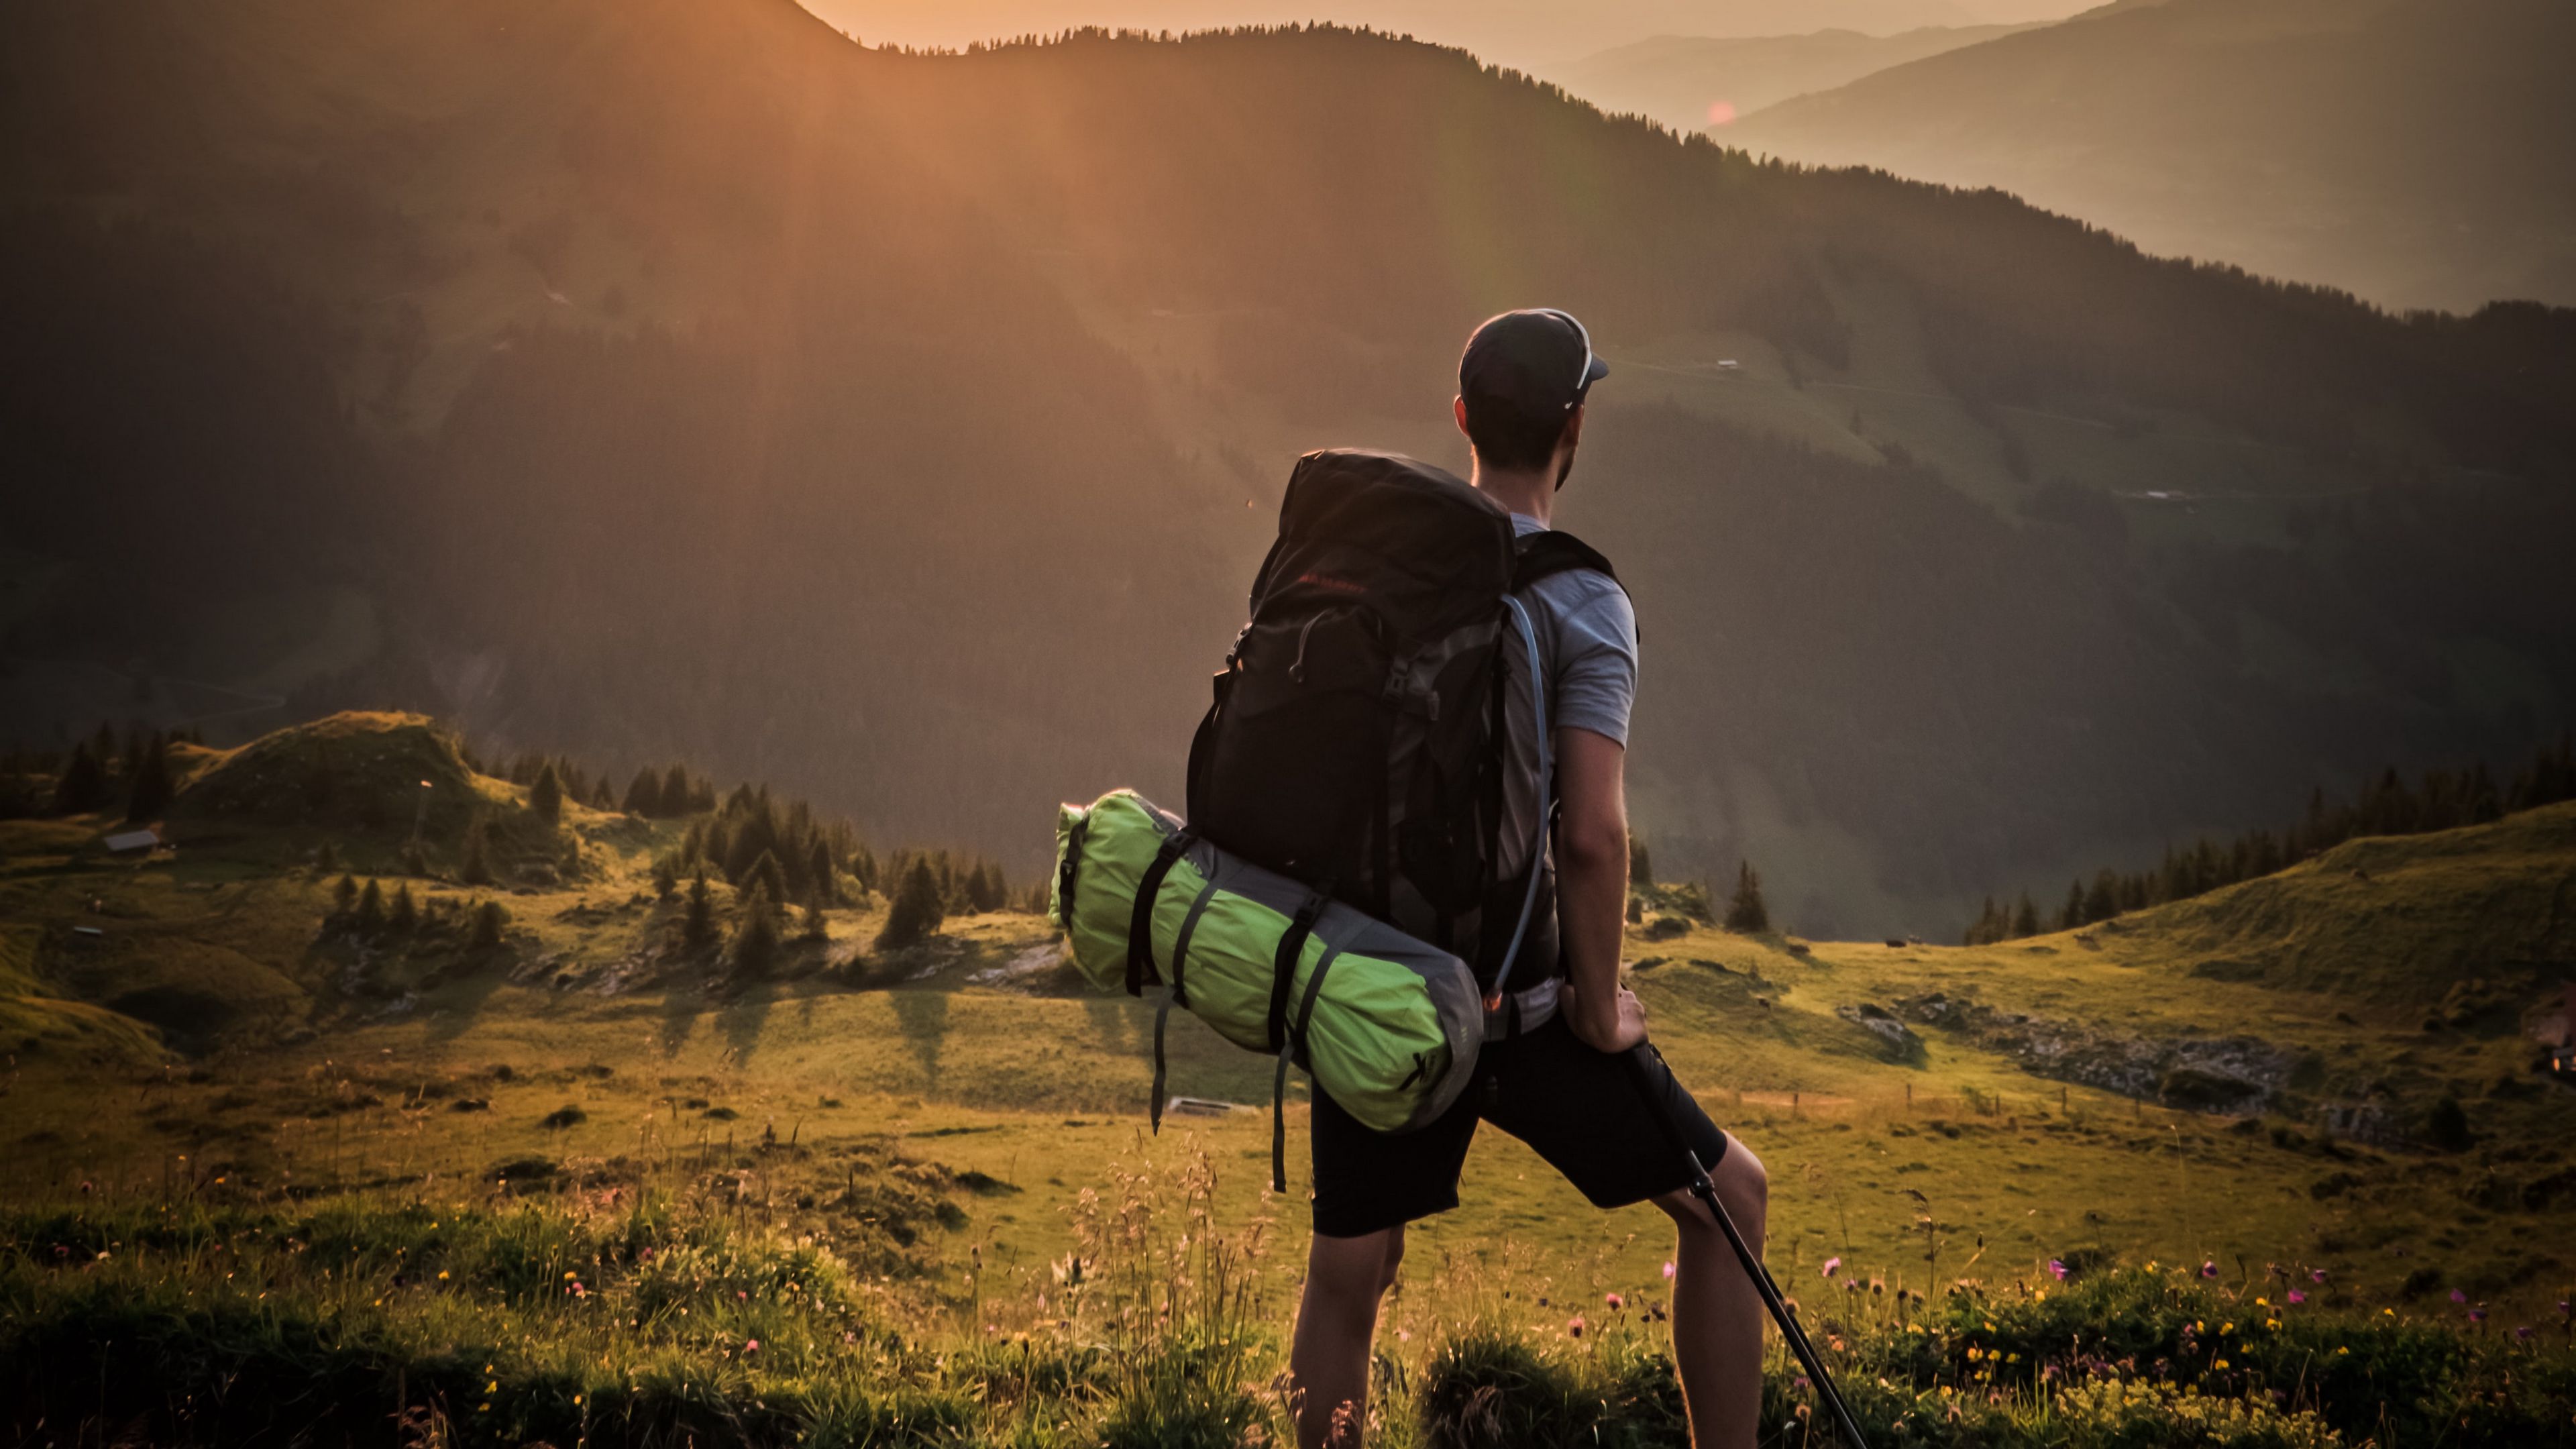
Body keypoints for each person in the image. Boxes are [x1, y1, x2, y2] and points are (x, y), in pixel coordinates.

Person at [1286, 310, 1768, 1449]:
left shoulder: (1377, 563)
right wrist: (1599, 1012)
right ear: (1574, 429)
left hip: (1384, 985)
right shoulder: (1583, 600)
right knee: (1728, 1203)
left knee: (1351, 1268)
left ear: (1461, 420)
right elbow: (1592, 837)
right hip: (1525, 1007)